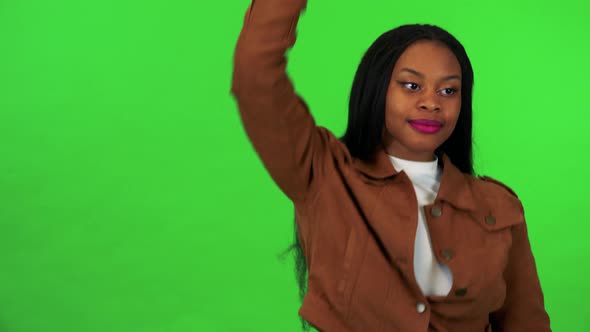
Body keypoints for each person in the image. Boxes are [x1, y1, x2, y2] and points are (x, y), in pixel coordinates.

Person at [231, 0, 551, 331]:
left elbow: (526, 322)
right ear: (377, 88)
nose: (431, 102)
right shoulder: (323, 172)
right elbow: (255, 76)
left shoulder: (499, 206)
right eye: (411, 85)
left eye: (448, 90)